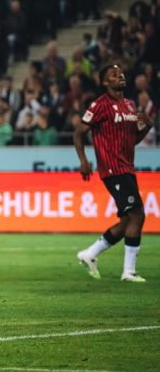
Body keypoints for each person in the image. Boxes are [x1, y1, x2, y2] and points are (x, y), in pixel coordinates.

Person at [75, 65, 153, 282]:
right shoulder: (99, 105)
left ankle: (90, 254)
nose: (120, 76)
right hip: (112, 169)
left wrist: (146, 127)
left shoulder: (129, 105)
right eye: (113, 74)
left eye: (121, 73)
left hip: (127, 167)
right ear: (104, 82)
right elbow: (79, 133)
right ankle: (128, 272)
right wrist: (83, 160)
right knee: (137, 214)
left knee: (128, 219)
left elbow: (132, 140)